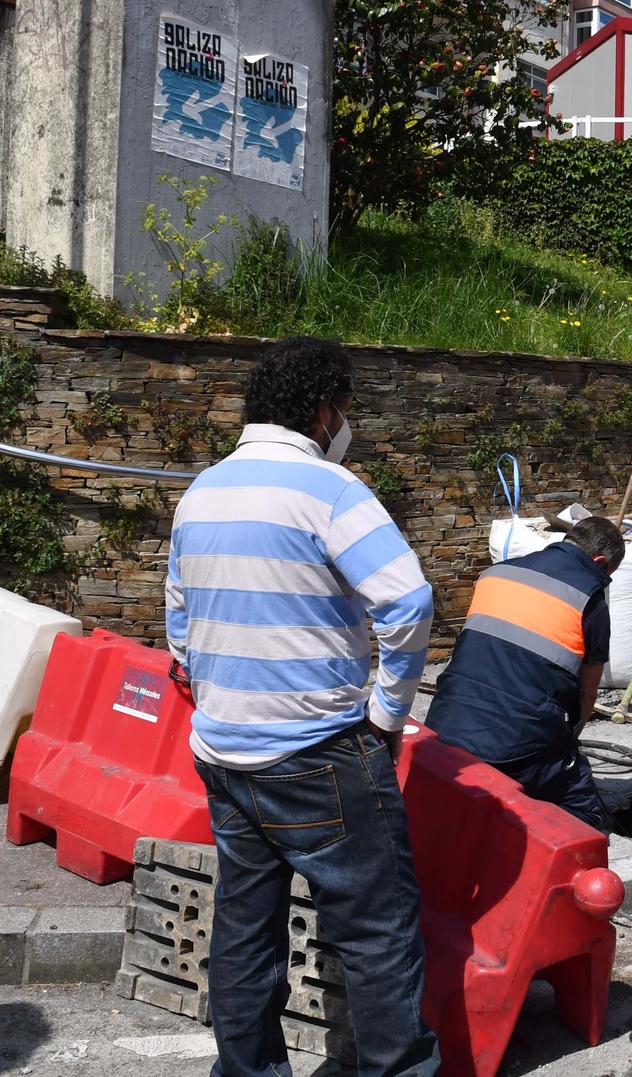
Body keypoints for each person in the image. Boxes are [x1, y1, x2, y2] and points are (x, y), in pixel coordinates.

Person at [166, 336, 440, 1077]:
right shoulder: (330, 490)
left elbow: (180, 626)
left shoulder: (203, 492)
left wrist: (219, 687)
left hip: (224, 755)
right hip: (319, 753)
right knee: (376, 933)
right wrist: (386, 714)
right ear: (324, 409)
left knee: (245, 929)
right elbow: (409, 600)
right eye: (344, 408)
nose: (345, 423)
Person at [425, 516, 627, 830]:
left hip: (444, 725)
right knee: (585, 810)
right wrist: (567, 744)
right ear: (600, 561)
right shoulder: (590, 598)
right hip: (515, 746)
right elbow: (588, 692)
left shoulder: (499, 572)